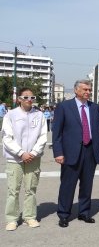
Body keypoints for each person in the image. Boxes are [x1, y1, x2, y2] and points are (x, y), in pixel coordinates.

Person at [52, 80, 99, 228]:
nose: (88, 92)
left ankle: (84, 212)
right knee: (67, 185)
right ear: (76, 90)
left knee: (87, 185)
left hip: (90, 152)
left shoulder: (95, 108)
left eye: (89, 90)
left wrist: (98, 152)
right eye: (85, 89)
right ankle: (63, 214)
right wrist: (58, 152)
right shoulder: (64, 107)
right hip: (70, 153)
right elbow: (57, 133)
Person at [3, 88, 47, 231]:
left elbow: (43, 136)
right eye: (26, 97)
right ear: (19, 99)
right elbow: (7, 138)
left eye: (32, 97)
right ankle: (12, 219)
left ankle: (30, 217)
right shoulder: (11, 115)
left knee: (31, 189)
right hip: (15, 158)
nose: (30, 100)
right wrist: (21, 152)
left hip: (33, 157)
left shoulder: (39, 115)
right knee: (13, 190)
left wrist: (33, 152)